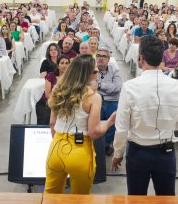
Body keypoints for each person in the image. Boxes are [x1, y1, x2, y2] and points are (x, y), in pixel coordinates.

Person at [111, 36, 178, 196]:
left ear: (140, 58)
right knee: (166, 201)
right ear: (161, 57)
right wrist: (165, 124)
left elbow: (122, 128)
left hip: (138, 151)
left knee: (136, 200)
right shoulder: (177, 86)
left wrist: (118, 153)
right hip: (166, 152)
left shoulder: (130, 87)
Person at [45, 55, 116, 195]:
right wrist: (109, 123)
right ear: (88, 74)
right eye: (95, 72)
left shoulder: (58, 90)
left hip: (56, 147)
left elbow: (52, 123)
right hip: (79, 150)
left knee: (50, 198)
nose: (97, 74)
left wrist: (58, 138)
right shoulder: (94, 97)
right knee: (80, 203)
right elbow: (94, 132)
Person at [95, 48, 124, 156]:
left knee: (114, 124)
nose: (101, 58)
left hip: (112, 102)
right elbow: (89, 85)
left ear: (109, 59)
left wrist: (99, 85)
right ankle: (97, 144)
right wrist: (107, 88)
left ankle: (104, 145)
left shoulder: (115, 70)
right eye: (99, 56)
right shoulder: (90, 69)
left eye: (104, 56)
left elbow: (117, 88)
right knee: (93, 124)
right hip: (96, 102)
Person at [37, 56, 70, 125]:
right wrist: (59, 103)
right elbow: (47, 95)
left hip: (65, 104)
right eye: (62, 63)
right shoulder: (51, 76)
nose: (64, 65)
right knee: (47, 118)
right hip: (47, 103)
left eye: (67, 63)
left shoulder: (71, 78)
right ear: (58, 66)